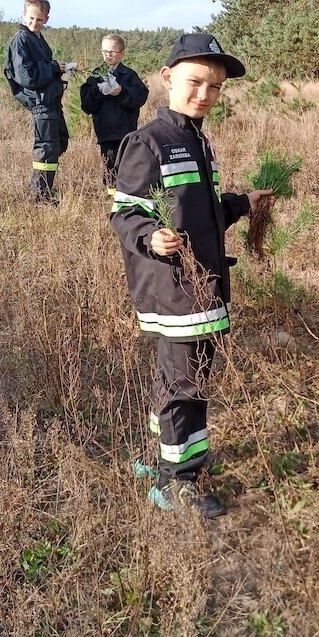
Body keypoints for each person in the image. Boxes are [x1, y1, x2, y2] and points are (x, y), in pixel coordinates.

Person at [109, 33, 272, 519]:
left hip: (209, 286)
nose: (204, 94)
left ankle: (162, 455)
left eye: (215, 87)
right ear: (167, 79)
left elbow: (201, 216)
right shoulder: (147, 143)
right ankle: (179, 480)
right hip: (175, 290)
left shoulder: (199, 140)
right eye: (194, 82)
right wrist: (149, 237)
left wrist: (243, 204)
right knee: (188, 385)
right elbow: (126, 213)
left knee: (179, 379)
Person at [4, 0, 75, 204]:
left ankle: (44, 189)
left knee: (58, 143)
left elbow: (40, 69)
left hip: (50, 100)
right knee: (46, 148)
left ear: (47, 19)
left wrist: (59, 68)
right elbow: (27, 76)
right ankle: (39, 197)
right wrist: (53, 67)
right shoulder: (21, 41)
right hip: (40, 103)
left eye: (40, 19)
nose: (35, 23)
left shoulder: (37, 39)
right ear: (23, 14)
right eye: (31, 18)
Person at [80, 34, 149, 197]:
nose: (108, 55)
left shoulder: (129, 75)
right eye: (105, 51)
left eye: (112, 51)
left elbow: (140, 97)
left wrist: (121, 91)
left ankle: (127, 196)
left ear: (122, 53)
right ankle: (112, 198)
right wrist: (97, 91)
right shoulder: (96, 75)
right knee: (109, 164)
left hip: (126, 131)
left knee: (127, 164)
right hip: (105, 132)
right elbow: (86, 105)